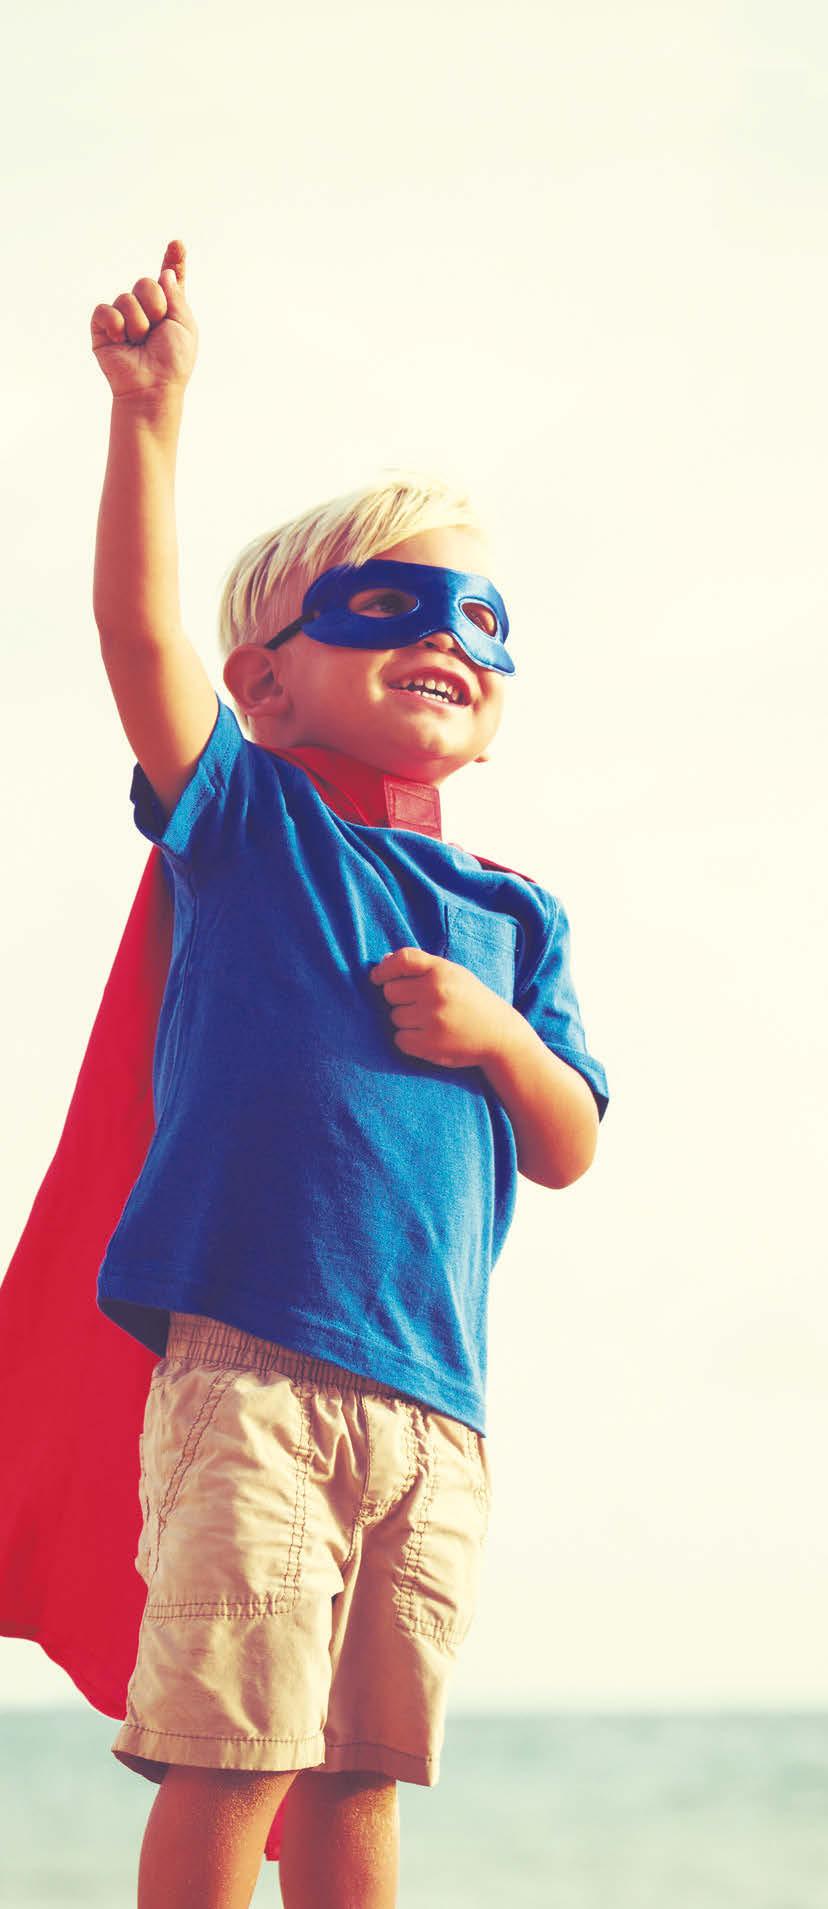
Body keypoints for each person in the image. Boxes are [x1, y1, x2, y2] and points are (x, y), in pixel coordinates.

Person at [85, 237, 609, 1909]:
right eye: (386, 605)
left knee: (363, 1768)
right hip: (255, 1368)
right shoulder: (253, 831)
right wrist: (151, 416)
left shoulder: (518, 917)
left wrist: (501, 1037)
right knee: (235, 1748)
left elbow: (569, 1139)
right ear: (265, 680)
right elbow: (139, 641)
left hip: (434, 1400)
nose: (445, 634)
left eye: (481, 622)